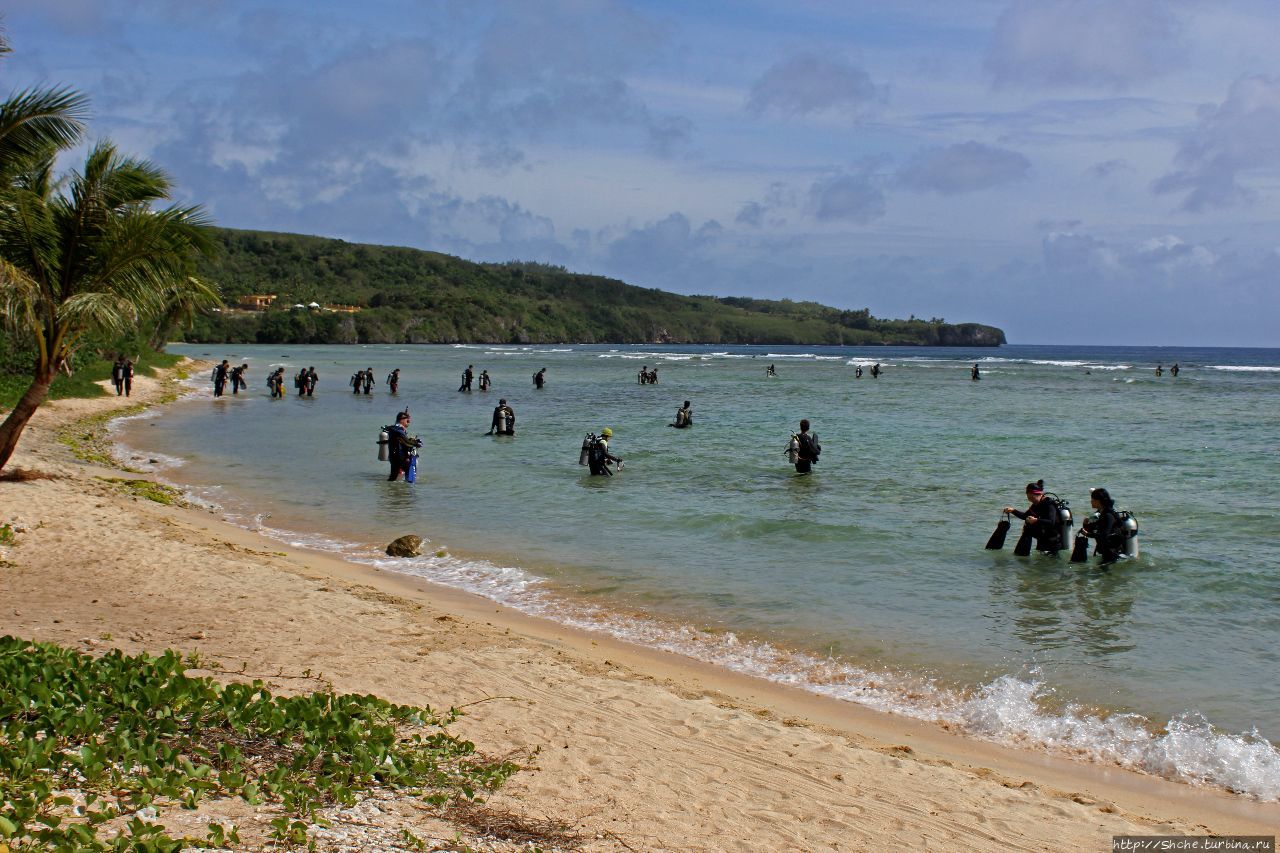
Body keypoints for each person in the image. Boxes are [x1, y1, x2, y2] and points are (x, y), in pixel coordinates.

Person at [1003, 480, 1063, 554]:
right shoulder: (1036, 504)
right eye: (1029, 499)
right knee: (1028, 526)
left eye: (1032, 498)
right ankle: (1021, 556)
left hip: (1053, 542)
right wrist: (1013, 511)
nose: (1031, 501)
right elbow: (1025, 516)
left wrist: (1036, 520)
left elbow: (1051, 522)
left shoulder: (1049, 504)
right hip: (1042, 539)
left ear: (1039, 494)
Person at [1078, 487, 1124, 564]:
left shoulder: (1108, 515)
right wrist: (1085, 524)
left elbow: (1104, 535)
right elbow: (1092, 528)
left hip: (1111, 553)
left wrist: (1088, 534)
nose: (1091, 501)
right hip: (1105, 551)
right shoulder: (1101, 513)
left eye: (1092, 499)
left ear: (1098, 501)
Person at [385, 411, 421, 482]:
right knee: (409, 477)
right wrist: (416, 443)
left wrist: (411, 440)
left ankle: (391, 491)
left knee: (393, 478)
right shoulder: (399, 430)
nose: (409, 421)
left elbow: (402, 441)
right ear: (401, 420)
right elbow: (406, 442)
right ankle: (407, 489)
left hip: (393, 457)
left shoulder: (394, 428)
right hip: (400, 457)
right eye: (407, 419)